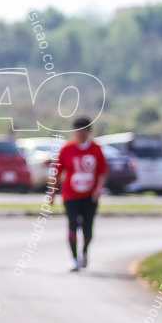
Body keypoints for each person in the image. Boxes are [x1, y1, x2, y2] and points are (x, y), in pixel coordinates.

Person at [51, 116, 107, 272]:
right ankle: (74, 258)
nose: (79, 133)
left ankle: (84, 252)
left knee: (88, 229)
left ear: (88, 131)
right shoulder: (66, 148)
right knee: (72, 225)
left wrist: (98, 189)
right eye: (77, 130)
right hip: (70, 194)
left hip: (90, 195)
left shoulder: (96, 149)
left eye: (83, 130)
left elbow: (102, 171)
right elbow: (57, 171)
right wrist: (52, 193)